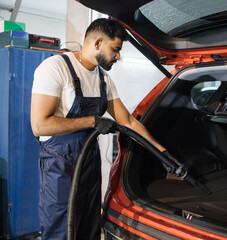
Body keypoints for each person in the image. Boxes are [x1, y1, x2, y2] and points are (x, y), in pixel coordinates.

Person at [30, 18, 172, 240]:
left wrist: (162, 153)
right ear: (97, 43)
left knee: (89, 226)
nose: (118, 57)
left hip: (89, 162)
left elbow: (129, 122)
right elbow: (40, 125)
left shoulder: (103, 80)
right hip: (60, 166)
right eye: (115, 50)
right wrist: (92, 122)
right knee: (61, 230)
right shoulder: (55, 68)